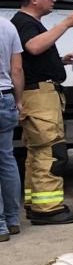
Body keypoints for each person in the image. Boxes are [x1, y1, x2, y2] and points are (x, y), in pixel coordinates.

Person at [12, 0, 73, 225]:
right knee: (50, 150)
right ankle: (49, 209)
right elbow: (33, 47)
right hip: (39, 96)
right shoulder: (24, 23)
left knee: (36, 152)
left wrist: (60, 61)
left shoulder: (28, 23)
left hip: (39, 92)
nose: (54, 0)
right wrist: (66, 23)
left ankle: (36, 203)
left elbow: (34, 57)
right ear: (34, 0)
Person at [0, 16, 23, 242]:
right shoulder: (8, 26)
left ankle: (0, 227)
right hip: (6, 96)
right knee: (6, 159)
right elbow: (16, 69)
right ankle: (13, 219)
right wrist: (18, 100)